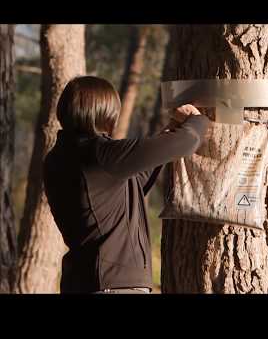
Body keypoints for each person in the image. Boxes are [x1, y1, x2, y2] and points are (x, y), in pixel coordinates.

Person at [43, 76, 209, 294]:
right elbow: (187, 142)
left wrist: (172, 131)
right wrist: (198, 121)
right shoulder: (101, 153)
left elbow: (133, 183)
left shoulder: (59, 158)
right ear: (106, 112)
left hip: (85, 281)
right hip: (113, 284)